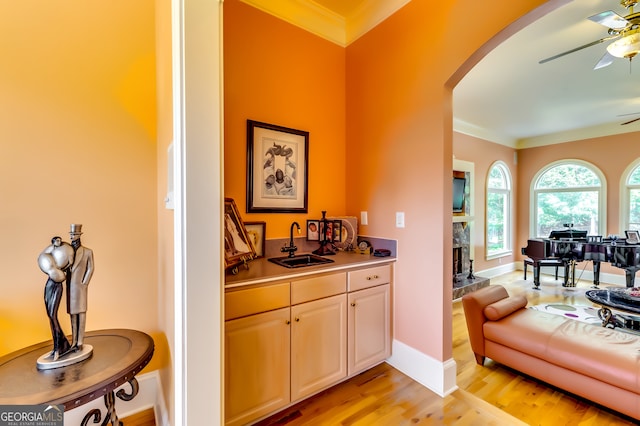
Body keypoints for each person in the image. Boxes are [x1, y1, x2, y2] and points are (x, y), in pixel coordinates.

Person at [38, 236, 74, 360]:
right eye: (56, 240)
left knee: (53, 316)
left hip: (57, 284)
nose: (59, 242)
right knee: (50, 316)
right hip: (49, 283)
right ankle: (58, 347)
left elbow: (70, 264)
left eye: (60, 240)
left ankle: (60, 347)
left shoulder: (66, 249)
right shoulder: (49, 251)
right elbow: (42, 257)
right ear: (53, 242)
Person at [66, 224, 94, 352]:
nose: (72, 237)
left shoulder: (87, 252)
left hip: (80, 287)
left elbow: (91, 268)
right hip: (70, 287)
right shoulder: (67, 252)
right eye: (71, 235)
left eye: (74, 235)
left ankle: (80, 341)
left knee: (81, 313)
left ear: (79, 235)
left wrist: (85, 283)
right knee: (73, 314)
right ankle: (74, 342)